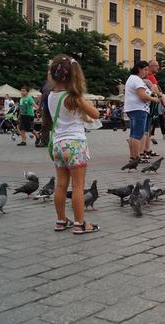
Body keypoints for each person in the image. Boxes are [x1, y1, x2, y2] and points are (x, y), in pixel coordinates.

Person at [47, 55, 100, 234]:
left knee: (60, 184)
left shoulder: (51, 96)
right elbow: (96, 114)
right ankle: (80, 223)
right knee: (78, 185)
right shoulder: (74, 97)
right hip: (75, 144)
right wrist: (87, 103)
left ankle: (61, 220)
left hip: (58, 145)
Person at [124, 61, 161, 165]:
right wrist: (154, 99)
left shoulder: (131, 78)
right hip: (139, 109)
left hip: (132, 109)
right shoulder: (137, 80)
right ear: (139, 69)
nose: (146, 72)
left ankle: (132, 157)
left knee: (132, 134)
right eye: (145, 69)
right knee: (138, 135)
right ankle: (136, 157)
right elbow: (142, 96)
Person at [36, 79, 52, 147]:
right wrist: (39, 107)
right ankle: (44, 141)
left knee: (58, 124)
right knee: (44, 125)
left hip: (55, 106)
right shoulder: (45, 82)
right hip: (46, 107)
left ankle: (58, 141)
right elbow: (43, 95)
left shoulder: (57, 82)